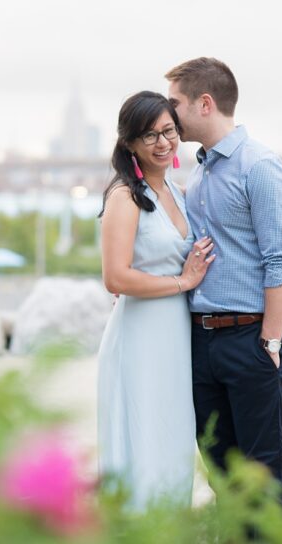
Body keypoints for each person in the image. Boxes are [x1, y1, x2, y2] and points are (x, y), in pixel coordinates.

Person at [165, 57, 282, 522]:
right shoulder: (200, 172)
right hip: (203, 342)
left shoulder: (259, 166)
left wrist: (271, 341)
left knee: (263, 477)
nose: (168, 114)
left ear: (205, 103)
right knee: (222, 475)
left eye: (175, 103)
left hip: (249, 340)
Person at [97, 90, 215, 510]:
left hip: (174, 336)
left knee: (171, 437)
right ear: (129, 143)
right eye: (150, 136)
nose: (163, 143)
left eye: (169, 131)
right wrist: (183, 283)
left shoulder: (176, 191)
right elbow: (115, 276)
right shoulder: (124, 197)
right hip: (141, 336)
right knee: (143, 440)